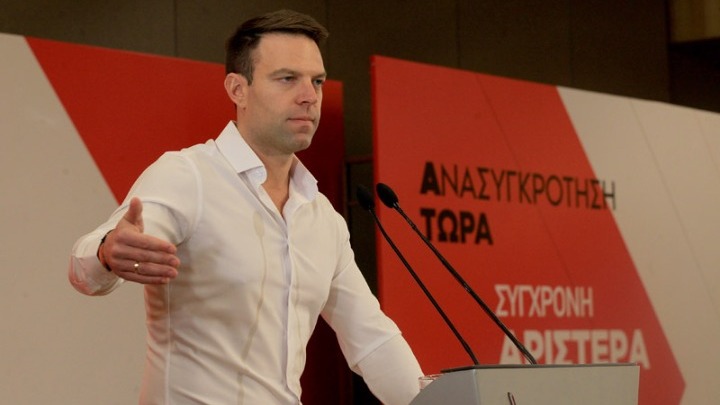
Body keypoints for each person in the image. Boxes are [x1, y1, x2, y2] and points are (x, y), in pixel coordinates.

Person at [68, 9, 423, 405]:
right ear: (238, 89)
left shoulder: (323, 218)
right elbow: (85, 272)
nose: (309, 96)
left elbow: (372, 339)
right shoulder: (189, 176)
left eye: (317, 81)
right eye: (287, 78)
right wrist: (107, 252)